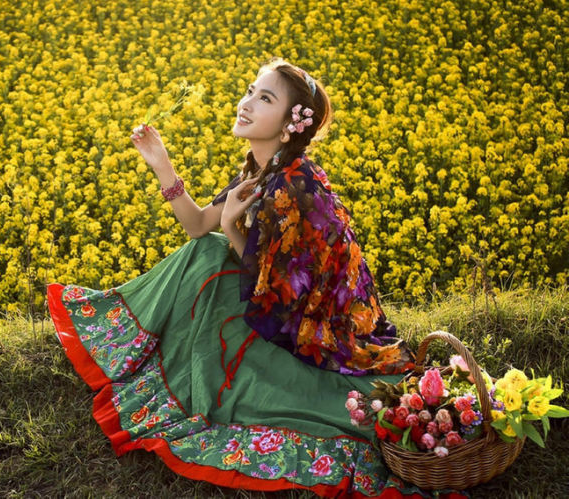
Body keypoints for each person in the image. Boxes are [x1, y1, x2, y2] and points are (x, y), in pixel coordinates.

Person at [48, 58, 453, 497]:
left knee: (210, 257)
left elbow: (283, 294)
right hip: (277, 301)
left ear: (288, 126)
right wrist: (162, 165)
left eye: (265, 98)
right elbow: (200, 224)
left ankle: (167, 358)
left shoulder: (295, 186)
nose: (246, 103)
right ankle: (163, 354)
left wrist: (232, 231)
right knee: (206, 252)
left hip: (315, 327)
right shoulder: (263, 168)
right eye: (249, 91)